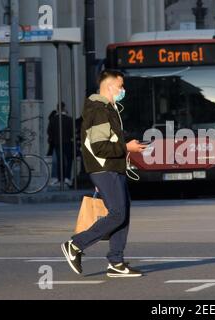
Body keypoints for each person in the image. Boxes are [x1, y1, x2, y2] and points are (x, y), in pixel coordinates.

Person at [61, 70, 147, 278]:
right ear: (109, 87)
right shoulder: (99, 110)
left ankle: (116, 262)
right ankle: (75, 245)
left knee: (123, 213)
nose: (123, 90)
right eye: (121, 86)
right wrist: (127, 148)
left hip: (112, 168)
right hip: (105, 168)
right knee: (117, 213)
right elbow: (100, 147)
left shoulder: (107, 109)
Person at [47, 102, 74, 187]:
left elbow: (49, 131)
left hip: (57, 143)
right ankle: (67, 177)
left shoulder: (53, 119)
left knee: (59, 160)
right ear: (64, 108)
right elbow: (72, 131)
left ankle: (59, 178)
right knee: (69, 160)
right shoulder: (69, 119)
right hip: (67, 142)